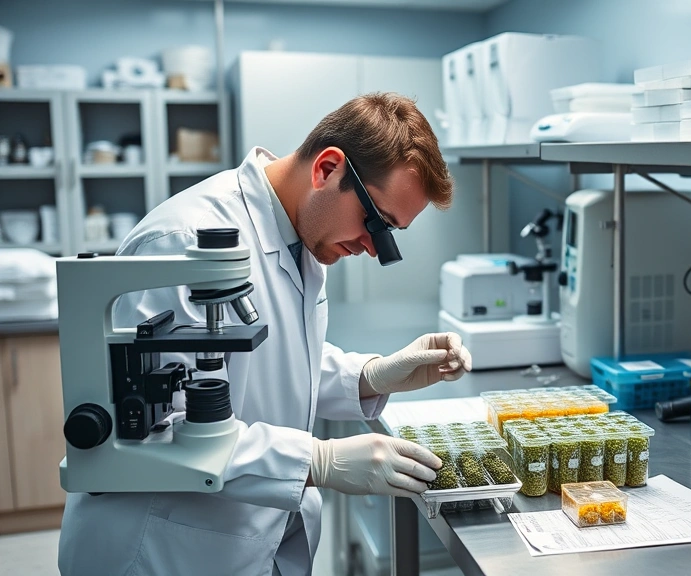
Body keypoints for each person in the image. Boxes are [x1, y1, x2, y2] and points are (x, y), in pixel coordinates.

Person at [58, 92, 472, 576]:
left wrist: (372, 375)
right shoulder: (183, 241)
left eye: (389, 233)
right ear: (327, 169)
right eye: (376, 223)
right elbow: (151, 429)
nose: (372, 247)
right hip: (164, 551)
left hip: (255, 538)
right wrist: (317, 460)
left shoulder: (303, 235)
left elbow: (268, 361)